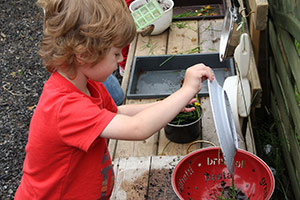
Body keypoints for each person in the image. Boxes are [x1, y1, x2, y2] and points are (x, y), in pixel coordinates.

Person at [15, 0, 215, 199]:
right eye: (116, 53)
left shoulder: (86, 83)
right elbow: (138, 128)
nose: (121, 60)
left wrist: (170, 105)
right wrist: (187, 90)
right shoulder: (64, 108)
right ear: (84, 54)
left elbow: (116, 113)